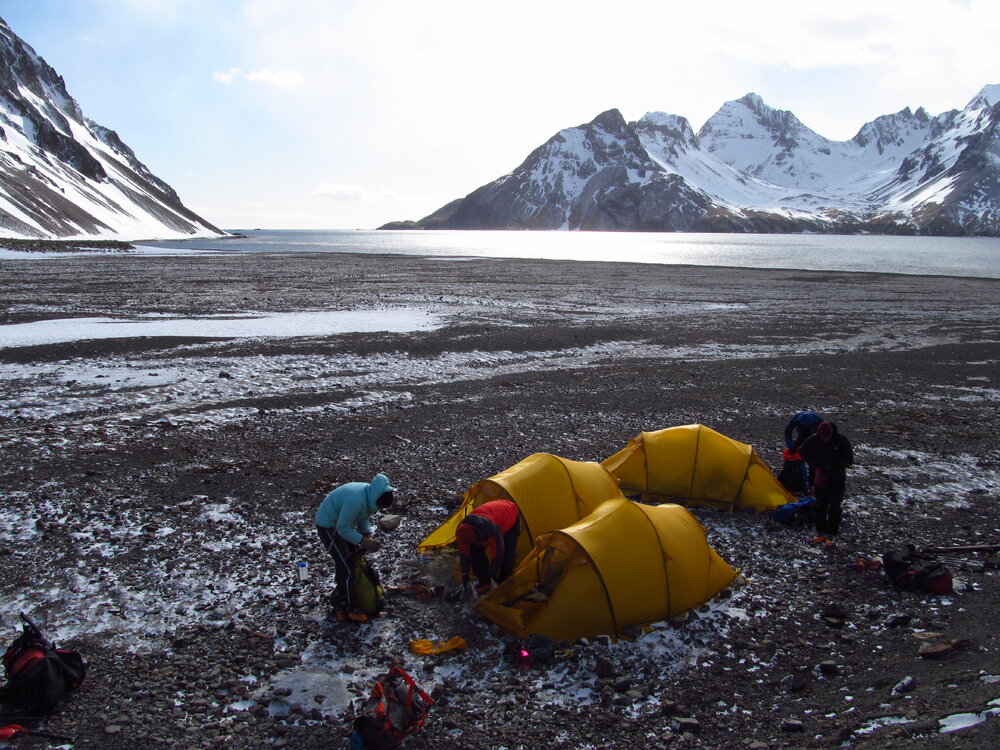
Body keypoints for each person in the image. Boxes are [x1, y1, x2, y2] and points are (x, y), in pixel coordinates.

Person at [316, 472, 396, 622]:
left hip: (341, 525)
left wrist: (367, 534)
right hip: (328, 526)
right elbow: (342, 529)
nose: (378, 509)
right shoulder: (356, 500)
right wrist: (363, 541)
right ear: (377, 498)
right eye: (379, 505)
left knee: (352, 562)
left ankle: (344, 594)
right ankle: (346, 607)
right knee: (346, 566)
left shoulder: (369, 495)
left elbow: (363, 516)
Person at [798, 421, 854, 546]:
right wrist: (815, 463)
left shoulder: (841, 441)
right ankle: (820, 531)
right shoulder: (814, 440)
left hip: (837, 478)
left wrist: (833, 465)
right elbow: (802, 451)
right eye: (823, 436)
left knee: (834, 506)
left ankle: (831, 532)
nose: (825, 439)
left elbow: (849, 459)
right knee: (820, 504)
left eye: (827, 436)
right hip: (820, 477)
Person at [454, 499, 521, 599]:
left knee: (507, 558)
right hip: (490, 515)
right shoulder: (462, 531)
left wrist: (492, 576)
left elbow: (499, 553)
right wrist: (465, 575)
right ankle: (483, 582)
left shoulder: (491, 531)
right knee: (475, 554)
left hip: (511, 512)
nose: (469, 543)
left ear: (477, 535)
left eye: (472, 540)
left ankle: (503, 588)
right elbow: (464, 554)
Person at [784, 410, 824, 489]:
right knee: (793, 459)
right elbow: (788, 432)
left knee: (813, 463)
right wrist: (791, 447)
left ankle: (812, 484)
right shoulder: (796, 419)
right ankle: (794, 480)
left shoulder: (819, 422)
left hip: (814, 441)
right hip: (801, 437)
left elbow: (819, 438)